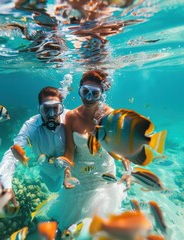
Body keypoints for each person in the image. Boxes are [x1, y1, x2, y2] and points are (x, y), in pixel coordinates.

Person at [46, 70, 132, 231]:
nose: (89, 98)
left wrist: (129, 170)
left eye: (95, 93)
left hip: (104, 176)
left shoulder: (111, 115)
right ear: (79, 90)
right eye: (85, 92)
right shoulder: (71, 116)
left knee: (99, 227)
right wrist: (67, 172)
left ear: (102, 94)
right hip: (79, 177)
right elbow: (70, 149)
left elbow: (121, 148)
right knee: (73, 227)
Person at [0, 86, 72, 206]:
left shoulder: (72, 118)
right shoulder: (31, 126)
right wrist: (4, 183)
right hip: (48, 170)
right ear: (39, 110)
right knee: (54, 189)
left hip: (73, 168)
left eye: (56, 109)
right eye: (46, 109)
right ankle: (46, 176)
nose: (51, 114)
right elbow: (13, 153)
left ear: (61, 108)